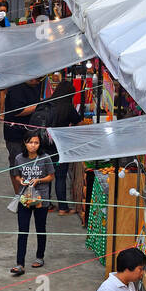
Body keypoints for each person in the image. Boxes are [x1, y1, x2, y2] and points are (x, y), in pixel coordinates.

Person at [10, 132, 54, 276]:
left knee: (41, 228)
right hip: (25, 198)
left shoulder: (45, 158)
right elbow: (16, 174)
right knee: (23, 230)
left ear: (40, 144)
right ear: (25, 143)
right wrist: (20, 181)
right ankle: (19, 264)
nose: (33, 145)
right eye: (30, 142)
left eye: (36, 143)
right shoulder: (19, 158)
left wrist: (39, 180)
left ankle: (40, 257)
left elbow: (51, 176)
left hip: (41, 198)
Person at [42, 72, 80, 212]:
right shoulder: (68, 108)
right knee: (60, 176)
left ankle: (47, 205)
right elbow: (79, 123)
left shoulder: (47, 103)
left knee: (47, 175)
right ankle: (63, 208)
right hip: (61, 146)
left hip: (45, 144)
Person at [3, 75, 43, 183]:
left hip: (30, 132)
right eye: (37, 79)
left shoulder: (35, 86)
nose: (38, 82)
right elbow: (18, 112)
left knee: (30, 164)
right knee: (17, 164)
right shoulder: (16, 88)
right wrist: (40, 105)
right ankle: (19, 195)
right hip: (15, 133)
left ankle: (27, 192)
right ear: (30, 77)